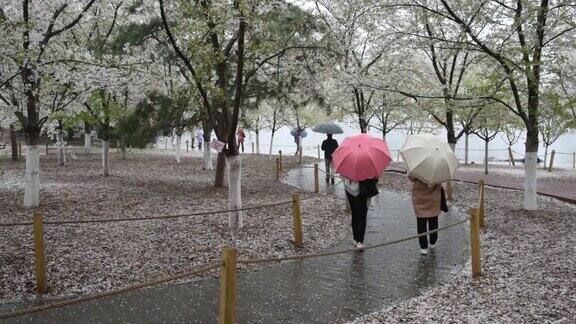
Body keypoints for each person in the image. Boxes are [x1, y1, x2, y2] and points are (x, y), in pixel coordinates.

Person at [408, 175, 442, 255]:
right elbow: (441, 179)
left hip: (419, 197)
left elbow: (411, 178)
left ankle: (423, 247)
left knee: (421, 222)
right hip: (433, 198)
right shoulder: (437, 168)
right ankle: (432, 242)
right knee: (433, 221)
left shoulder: (417, 166)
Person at [344, 177, 379, 250]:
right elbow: (375, 179)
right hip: (363, 189)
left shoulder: (348, 166)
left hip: (350, 187)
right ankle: (359, 241)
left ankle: (356, 238)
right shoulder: (369, 166)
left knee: (355, 214)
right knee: (361, 215)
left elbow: (344, 174)